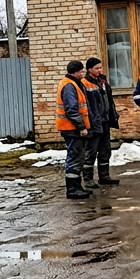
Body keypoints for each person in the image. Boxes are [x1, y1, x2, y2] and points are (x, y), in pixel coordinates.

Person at [54, 60, 94, 200]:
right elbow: (71, 109)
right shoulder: (69, 86)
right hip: (71, 129)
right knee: (75, 157)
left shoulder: (73, 83)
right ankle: (73, 189)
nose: (83, 74)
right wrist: (81, 126)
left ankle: (77, 187)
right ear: (76, 72)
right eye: (82, 71)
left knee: (78, 157)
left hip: (72, 128)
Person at [82, 57, 121, 187]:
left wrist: (113, 115)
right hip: (93, 123)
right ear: (89, 69)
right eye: (96, 68)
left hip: (105, 121)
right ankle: (88, 179)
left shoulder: (102, 81)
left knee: (105, 150)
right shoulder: (85, 83)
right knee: (91, 151)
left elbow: (109, 99)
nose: (99, 70)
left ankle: (104, 176)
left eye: (100, 67)